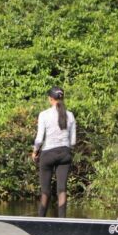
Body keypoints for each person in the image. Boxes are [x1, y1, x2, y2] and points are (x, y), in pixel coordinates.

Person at [32, 86, 76, 218]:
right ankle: (62, 220)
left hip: (48, 154)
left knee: (45, 190)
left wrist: (35, 152)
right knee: (62, 189)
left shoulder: (44, 115)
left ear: (50, 99)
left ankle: (41, 219)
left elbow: (39, 139)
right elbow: (73, 142)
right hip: (65, 154)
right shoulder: (70, 115)